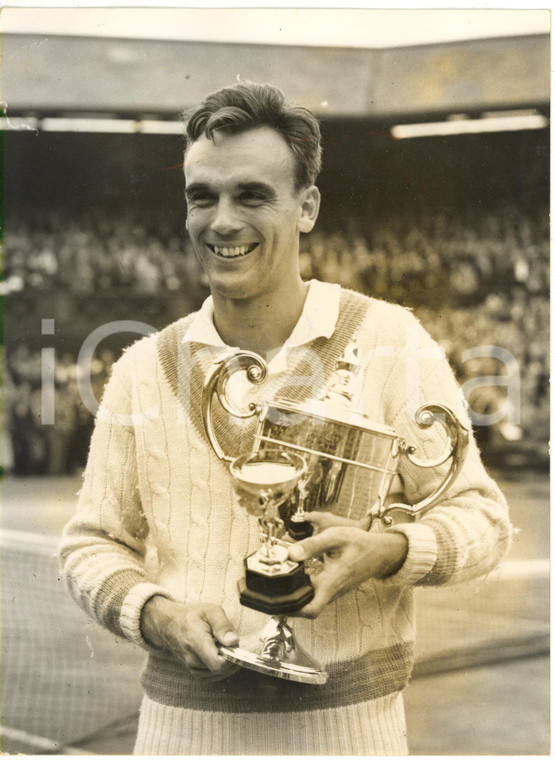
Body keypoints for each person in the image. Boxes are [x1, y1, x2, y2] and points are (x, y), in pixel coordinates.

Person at [60, 81, 512, 755]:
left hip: (349, 735)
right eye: (201, 195)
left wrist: (387, 552)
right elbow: (90, 545)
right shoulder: (142, 368)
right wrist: (157, 614)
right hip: (183, 737)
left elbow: (482, 522)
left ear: (306, 208)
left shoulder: (392, 340)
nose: (221, 221)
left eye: (250, 195)